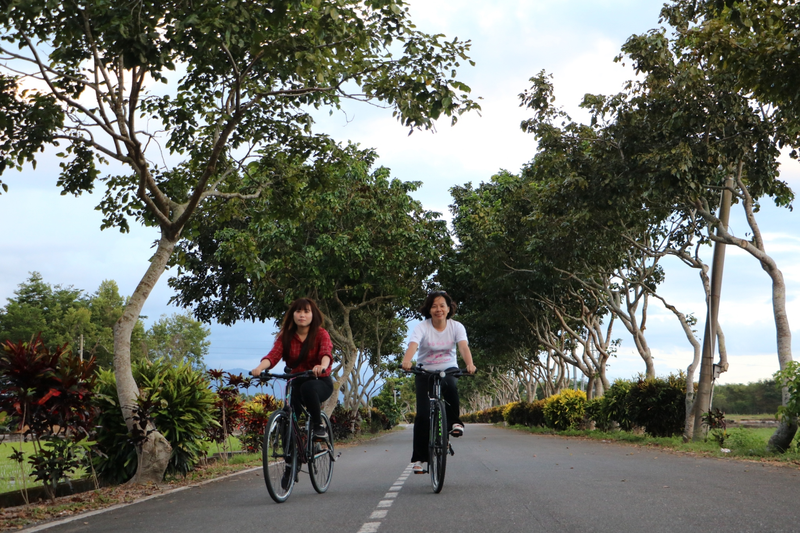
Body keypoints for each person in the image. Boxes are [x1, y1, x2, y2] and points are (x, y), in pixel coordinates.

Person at [401, 290, 476, 474]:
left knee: (450, 385)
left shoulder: (456, 327)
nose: (438, 309)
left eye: (442, 305)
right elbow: (413, 345)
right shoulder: (422, 327)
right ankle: (419, 458)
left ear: (449, 309)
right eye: (434, 306)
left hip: (448, 367)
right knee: (423, 415)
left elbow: (463, 346)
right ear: (429, 309)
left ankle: (455, 423)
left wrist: (469, 364)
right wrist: (406, 361)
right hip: (424, 370)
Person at [252, 298, 333, 440]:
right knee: (288, 417)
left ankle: (318, 425)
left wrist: (322, 366)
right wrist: (259, 368)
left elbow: (326, 353)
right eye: (298, 311)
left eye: (306, 312)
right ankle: (290, 457)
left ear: (313, 315)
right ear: (293, 314)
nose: (302, 315)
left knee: (308, 387)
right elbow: (273, 356)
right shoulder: (286, 336)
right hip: (297, 380)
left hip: (319, 381)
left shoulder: (321, 334)